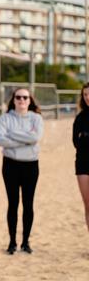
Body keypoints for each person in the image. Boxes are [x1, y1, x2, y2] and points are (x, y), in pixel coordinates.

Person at [0, 88, 43, 255]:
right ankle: (12, 242)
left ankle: (25, 242)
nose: (22, 100)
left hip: (31, 165)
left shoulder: (36, 118)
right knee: (13, 204)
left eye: (25, 97)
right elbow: (1, 140)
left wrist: (13, 136)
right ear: (14, 100)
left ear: (30, 100)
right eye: (18, 97)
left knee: (28, 204)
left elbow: (35, 138)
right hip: (10, 165)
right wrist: (26, 139)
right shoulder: (5, 118)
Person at [73, 82, 89, 231]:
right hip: (83, 163)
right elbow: (75, 142)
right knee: (88, 204)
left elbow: (82, 140)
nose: (87, 97)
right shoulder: (80, 118)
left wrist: (85, 137)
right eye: (85, 95)